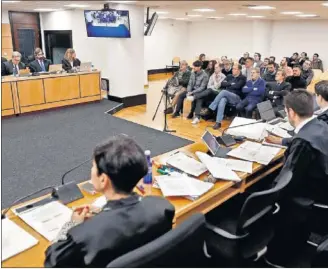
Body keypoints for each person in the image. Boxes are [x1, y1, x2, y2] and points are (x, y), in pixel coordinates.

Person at [44, 135, 175, 267]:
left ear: (103, 180)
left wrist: (71, 225)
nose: (91, 170)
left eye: (93, 167)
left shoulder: (83, 235)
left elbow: (53, 262)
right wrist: (103, 212)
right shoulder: (162, 206)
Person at [265, 90, 328, 266]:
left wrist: (263, 193)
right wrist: (281, 142)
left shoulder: (303, 143)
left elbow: (286, 181)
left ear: (290, 112)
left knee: (257, 187)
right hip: (322, 186)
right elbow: (302, 138)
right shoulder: (320, 125)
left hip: (302, 198)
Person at [201, 64, 247, 129]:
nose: (233, 70)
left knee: (223, 92)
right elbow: (222, 84)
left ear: (239, 70)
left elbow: (237, 86)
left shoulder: (242, 78)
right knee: (222, 100)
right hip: (226, 96)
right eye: (233, 68)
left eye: (235, 69)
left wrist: (229, 84)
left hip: (236, 97)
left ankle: (211, 108)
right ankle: (218, 122)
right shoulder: (229, 76)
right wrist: (231, 83)